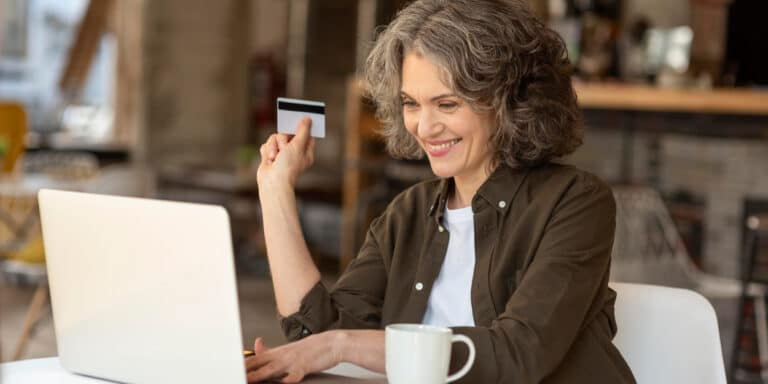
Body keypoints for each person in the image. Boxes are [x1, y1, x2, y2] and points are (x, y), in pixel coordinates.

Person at [246, 0, 636, 383]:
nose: (425, 126)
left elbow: (518, 354)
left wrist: (342, 344)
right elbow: (316, 338)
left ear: (509, 102)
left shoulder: (576, 202)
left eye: (447, 104)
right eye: (411, 103)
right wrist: (275, 189)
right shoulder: (409, 212)